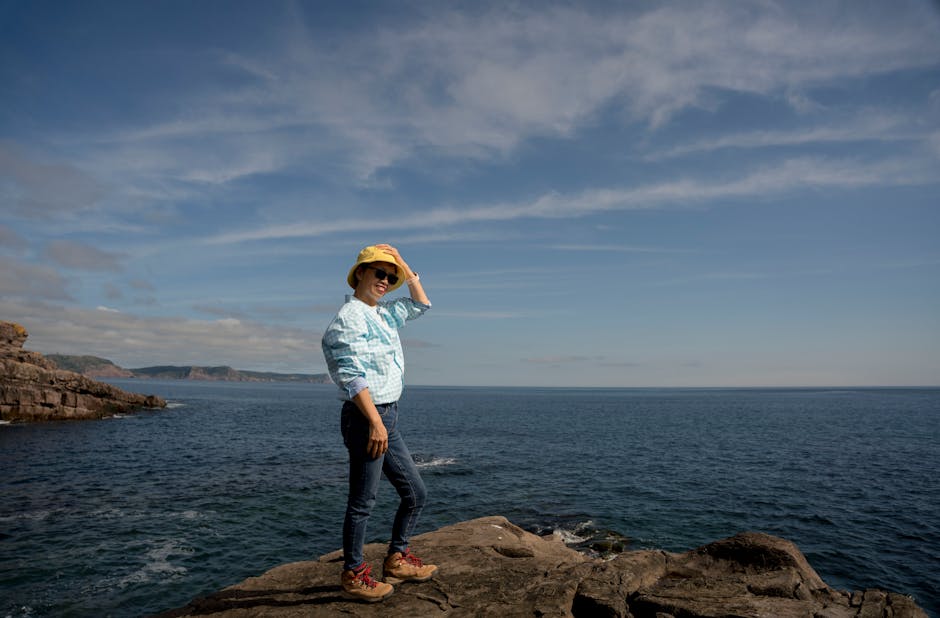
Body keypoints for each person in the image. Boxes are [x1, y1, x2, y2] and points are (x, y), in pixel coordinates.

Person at [321, 244, 438, 603]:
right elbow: (351, 376)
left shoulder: (384, 314)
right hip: (366, 417)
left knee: (416, 493)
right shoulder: (349, 318)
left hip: (387, 416)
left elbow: (421, 304)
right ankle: (354, 574)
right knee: (363, 501)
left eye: (391, 277)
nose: (386, 281)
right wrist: (375, 422)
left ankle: (397, 559)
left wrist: (402, 263)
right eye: (379, 273)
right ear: (360, 274)